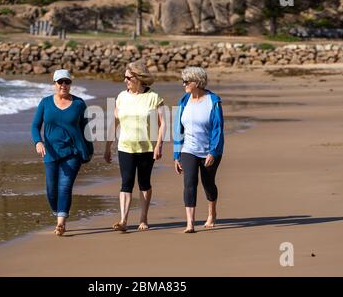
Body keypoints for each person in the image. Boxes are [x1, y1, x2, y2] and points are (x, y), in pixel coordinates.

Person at [104, 61, 165, 231]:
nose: (125, 81)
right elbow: (114, 122)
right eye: (125, 78)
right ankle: (123, 220)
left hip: (146, 148)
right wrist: (108, 146)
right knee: (126, 183)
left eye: (128, 77)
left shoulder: (154, 97)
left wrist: (159, 144)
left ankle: (143, 218)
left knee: (144, 183)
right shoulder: (122, 96)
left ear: (138, 78)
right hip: (125, 147)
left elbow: (163, 124)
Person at [31, 69, 93, 236]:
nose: (64, 85)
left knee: (64, 187)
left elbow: (85, 129)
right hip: (50, 152)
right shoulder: (45, 103)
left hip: (73, 153)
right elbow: (35, 126)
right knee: (51, 190)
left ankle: (61, 223)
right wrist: (38, 142)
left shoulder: (79, 104)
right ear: (54, 84)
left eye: (67, 82)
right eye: (60, 82)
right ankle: (58, 212)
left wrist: (89, 151)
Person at [173, 67, 224, 233]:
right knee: (189, 183)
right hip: (188, 149)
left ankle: (211, 213)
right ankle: (190, 223)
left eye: (187, 82)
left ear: (197, 82)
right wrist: (176, 154)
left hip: (209, 150)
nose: (184, 85)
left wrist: (213, 152)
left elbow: (218, 129)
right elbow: (178, 128)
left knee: (208, 184)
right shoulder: (184, 101)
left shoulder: (213, 101)